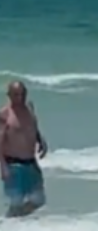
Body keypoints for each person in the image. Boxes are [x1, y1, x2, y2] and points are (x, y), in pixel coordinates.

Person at [1, 81, 48, 218]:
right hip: (14, 165)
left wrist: (40, 140)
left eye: (23, 94)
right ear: (9, 95)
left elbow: (32, 127)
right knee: (16, 203)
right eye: (16, 95)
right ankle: (8, 228)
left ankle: (14, 223)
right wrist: (3, 167)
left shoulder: (29, 108)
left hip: (31, 163)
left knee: (39, 200)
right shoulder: (4, 115)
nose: (20, 98)